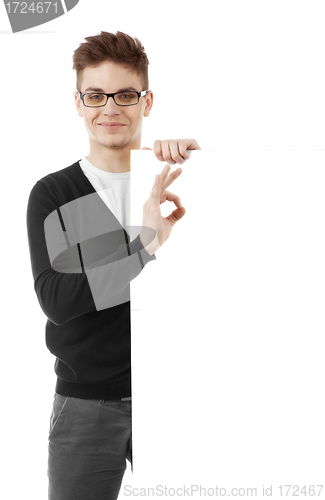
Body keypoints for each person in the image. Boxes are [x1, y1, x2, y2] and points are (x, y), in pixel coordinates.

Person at [26, 30, 201, 500]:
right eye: (96, 95)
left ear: (147, 102)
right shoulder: (55, 194)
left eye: (125, 94)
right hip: (88, 404)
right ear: (78, 103)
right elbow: (58, 300)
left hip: (183, 394)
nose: (110, 108)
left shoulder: (183, 176)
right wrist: (142, 247)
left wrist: (204, 159)